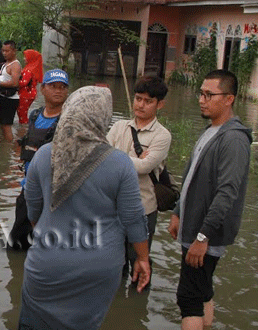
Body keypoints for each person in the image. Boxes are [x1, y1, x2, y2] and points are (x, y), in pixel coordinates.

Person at [19, 86, 151, 329]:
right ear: (103, 118)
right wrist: (142, 258)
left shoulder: (43, 155)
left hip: (47, 263)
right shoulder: (120, 163)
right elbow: (134, 219)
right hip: (97, 267)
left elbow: (33, 211)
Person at [167, 70, 252, 330]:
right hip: (192, 227)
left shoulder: (234, 139)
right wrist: (178, 211)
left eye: (209, 94)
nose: (202, 100)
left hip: (204, 234)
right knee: (202, 290)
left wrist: (203, 237)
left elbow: (227, 193)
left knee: (188, 298)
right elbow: (193, 176)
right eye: (201, 93)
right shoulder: (211, 131)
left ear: (229, 99)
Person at [106, 75, 172, 287]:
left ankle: (138, 306)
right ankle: (117, 307)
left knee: (139, 262)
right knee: (114, 266)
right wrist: (133, 160)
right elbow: (100, 158)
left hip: (143, 209)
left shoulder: (162, 135)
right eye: (138, 98)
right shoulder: (119, 127)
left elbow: (145, 167)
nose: (141, 105)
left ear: (159, 104)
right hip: (113, 208)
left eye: (148, 101)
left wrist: (114, 156)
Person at [8, 69, 69, 250]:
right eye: (53, 86)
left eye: (62, 87)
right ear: (43, 89)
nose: (58, 91)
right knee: (17, 242)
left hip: (52, 192)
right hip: (28, 186)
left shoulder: (68, 120)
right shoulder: (35, 115)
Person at [0, 40, 21, 142]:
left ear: (14, 51)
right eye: (3, 51)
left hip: (10, 99)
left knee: (7, 126)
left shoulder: (15, 65)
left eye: (7, 51)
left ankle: (9, 149)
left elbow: (14, 83)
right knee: (2, 126)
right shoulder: (6, 63)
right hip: (2, 97)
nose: (4, 53)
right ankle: (5, 148)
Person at [16, 50, 43, 124]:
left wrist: (13, 82)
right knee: (22, 113)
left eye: (26, 57)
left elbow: (23, 83)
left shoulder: (29, 70)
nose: (24, 59)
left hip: (25, 94)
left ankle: (23, 130)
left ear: (31, 58)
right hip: (29, 93)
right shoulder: (32, 68)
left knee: (22, 115)